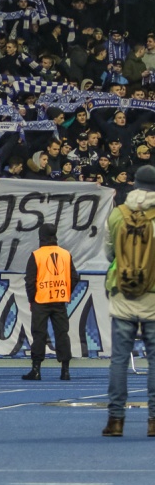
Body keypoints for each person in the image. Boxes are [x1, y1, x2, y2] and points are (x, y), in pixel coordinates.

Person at [102, 165, 155, 437]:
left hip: (122, 293)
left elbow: (109, 253)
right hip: (153, 296)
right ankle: (154, 421)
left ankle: (116, 420)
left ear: (134, 185)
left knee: (119, 360)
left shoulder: (117, 214)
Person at [22, 223, 79, 381]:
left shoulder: (37, 255)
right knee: (62, 334)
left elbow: (30, 281)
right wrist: (65, 291)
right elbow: (74, 277)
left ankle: (36, 370)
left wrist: (32, 299)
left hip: (41, 300)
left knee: (39, 334)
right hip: (59, 300)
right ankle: (65, 371)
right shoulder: (65, 254)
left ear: (41, 237)